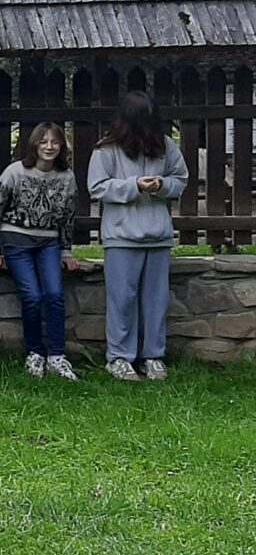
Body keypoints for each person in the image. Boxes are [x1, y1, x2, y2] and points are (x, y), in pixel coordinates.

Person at [86, 90, 188, 382]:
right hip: (121, 236)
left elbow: (181, 180)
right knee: (122, 300)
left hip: (158, 236)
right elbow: (97, 187)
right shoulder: (106, 149)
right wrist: (134, 185)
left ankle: (153, 356)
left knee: (156, 301)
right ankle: (119, 358)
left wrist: (161, 185)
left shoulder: (166, 145)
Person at [0, 122, 83, 380]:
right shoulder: (15, 172)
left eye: (55, 142)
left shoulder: (67, 177)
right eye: (43, 141)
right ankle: (34, 353)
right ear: (34, 145)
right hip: (16, 240)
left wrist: (66, 252)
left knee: (55, 294)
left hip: (48, 241)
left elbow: (67, 217)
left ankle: (57, 356)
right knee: (32, 296)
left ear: (62, 146)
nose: (49, 147)